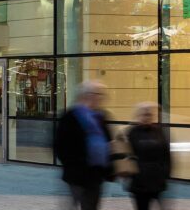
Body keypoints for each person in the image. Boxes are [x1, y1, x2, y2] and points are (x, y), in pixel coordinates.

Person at [56, 81, 111, 210]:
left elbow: (107, 140)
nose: (102, 98)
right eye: (99, 94)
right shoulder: (71, 116)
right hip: (77, 174)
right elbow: (60, 145)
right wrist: (72, 163)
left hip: (95, 174)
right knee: (75, 204)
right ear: (88, 95)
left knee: (91, 206)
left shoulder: (100, 116)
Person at [121, 103, 172, 210]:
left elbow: (166, 155)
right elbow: (125, 155)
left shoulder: (159, 131)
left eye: (149, 114)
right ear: (138, 116)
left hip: (157, 179)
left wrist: (166, 173)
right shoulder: (132, 132)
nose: (147, 117)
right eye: (144, 114)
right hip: (139, 181)